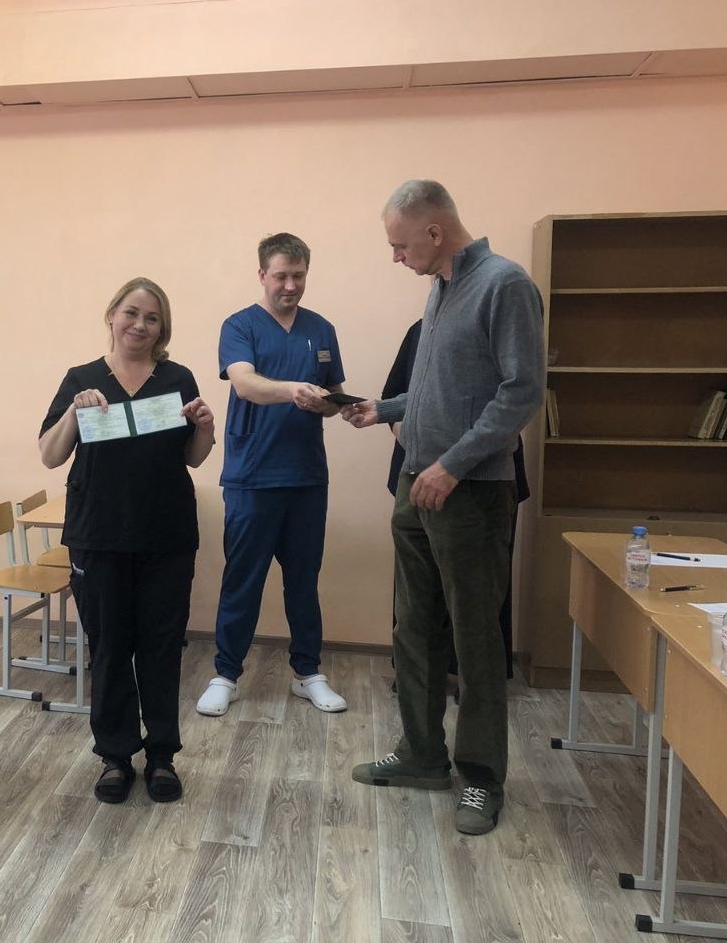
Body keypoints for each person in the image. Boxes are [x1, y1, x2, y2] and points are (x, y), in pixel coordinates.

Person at [343, 180, 544, 835]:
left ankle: (482, 776)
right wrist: (383, 410)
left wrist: (453, 465)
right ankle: (422, 754)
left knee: (474, 636)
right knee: (414, 626)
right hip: (416, 484)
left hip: (470, 492)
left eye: (400, 245)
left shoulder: (504, 285)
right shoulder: (439, 290)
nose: (396, 257)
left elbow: (520, 393)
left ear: (434, 231)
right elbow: (436, 391)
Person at [39, 277, 216, 804]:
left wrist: (206, 427)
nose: (140, 325)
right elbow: (50, 455)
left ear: (163, 328)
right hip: (98, 537)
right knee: (110, 648)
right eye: (132, 313)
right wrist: (74, 411)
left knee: (161, 647)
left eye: (152, 318)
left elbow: (193, 457)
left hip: (166, 536)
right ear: (112, 315)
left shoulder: (177, 378)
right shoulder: (81, 379)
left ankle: (161, 756)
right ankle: (115, 756)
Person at [196, 232, 348, 718]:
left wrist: (334, 405)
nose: (290, 285)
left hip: (306, 478)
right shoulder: (239, 326)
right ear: (262, 274)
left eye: (299, 276)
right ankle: (225, 675)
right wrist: (294, 390)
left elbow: (332, 395)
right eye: (281, 276)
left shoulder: (321, 329)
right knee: (243, 580)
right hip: (252, 478)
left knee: (304, 582)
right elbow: (245, 384)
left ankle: (308, 673)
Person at [382, 318, 528, 688]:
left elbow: (513, 401)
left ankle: (474, 683)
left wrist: (452, 462)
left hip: (484, 479)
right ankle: (418, 678)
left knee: (477, 595)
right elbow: (400, 399)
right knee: (417, 593)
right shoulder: (421, 329)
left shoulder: (500, 322)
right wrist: (413, 441)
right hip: (419, 474)